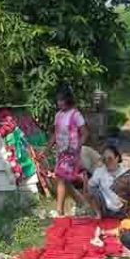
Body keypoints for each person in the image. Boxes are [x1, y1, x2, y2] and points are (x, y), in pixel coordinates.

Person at [48, 83, 89, 217]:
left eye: (62, 100)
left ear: (68, 99)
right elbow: (55, 135)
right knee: (64, 180)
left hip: (71, 154)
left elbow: (85, 133)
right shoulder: (58, 115)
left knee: (60, 178)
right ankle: (81, 202)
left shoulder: (76, 115)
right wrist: (46, 149)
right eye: (58, 100)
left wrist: (77, 147)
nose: (59, 103)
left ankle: (60, 211)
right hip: (61, 153)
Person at [85, 144, 129, 219]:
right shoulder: (99, 171)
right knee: (91, 189)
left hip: (123, 210)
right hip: (105, 209)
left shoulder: (127, 172)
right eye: (104, 159)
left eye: (110, 159)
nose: (107, 162)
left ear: (117, 158)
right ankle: (98, 214)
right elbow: (89, 188)